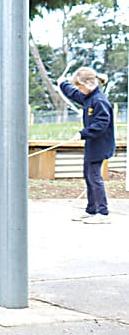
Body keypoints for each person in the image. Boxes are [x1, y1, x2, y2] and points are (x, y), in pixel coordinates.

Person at [59, 67, 115, 224]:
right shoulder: (88, 96)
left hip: (101, 144)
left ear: (89, 84)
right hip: (92, 144)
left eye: (80, 86)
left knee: (94, 177)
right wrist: (62, 84)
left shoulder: (99, 100)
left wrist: (82, 133)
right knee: (88, 175)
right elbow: (73, 93)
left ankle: (103, 213)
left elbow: (102, 123)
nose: (78, 90)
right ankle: (91, 210)